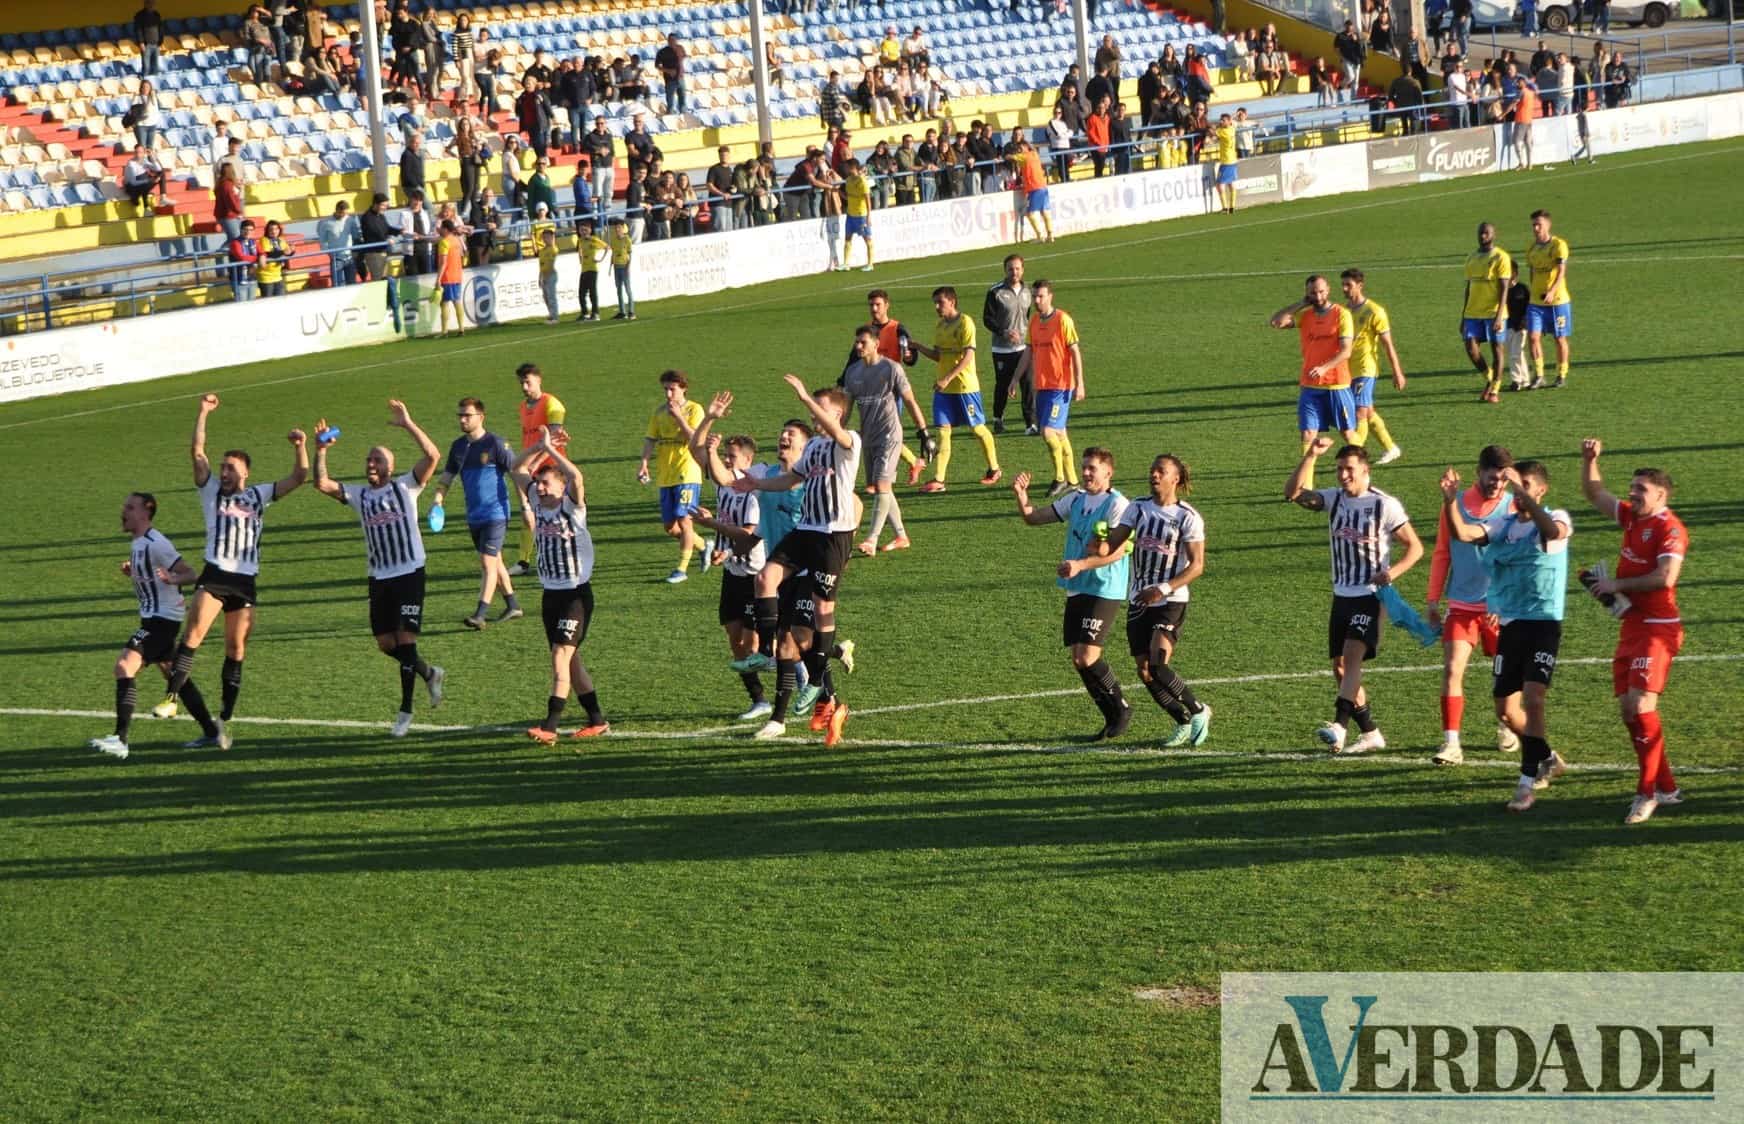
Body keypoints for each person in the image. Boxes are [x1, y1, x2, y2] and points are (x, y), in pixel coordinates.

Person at [159, 395, 309, 750]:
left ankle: (222, 723)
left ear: (246, 473)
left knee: (235, 648)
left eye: (231, 468)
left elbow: (300, 476)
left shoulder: (259, 495)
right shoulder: (210, 491)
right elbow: (197, 453)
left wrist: (301, 446)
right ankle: (170, 699)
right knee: (193, 635)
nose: (224, 473)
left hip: (245, 581)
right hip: (214, 575)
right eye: (223, 467)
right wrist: (203, 413)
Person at [730, 376, 862, 748]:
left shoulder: (849, 442)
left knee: (819, 616)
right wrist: (754, 485)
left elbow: (839, 437)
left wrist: (805, 395)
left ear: (836, 413)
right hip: (807, 530)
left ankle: (821, 687)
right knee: (765, 579)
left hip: (831, 537)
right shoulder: (815, 448)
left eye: (819, 407)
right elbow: (790, 481)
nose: (812, 412)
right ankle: (764, 653)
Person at [309, 399, 446, 738]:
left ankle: (405, 711)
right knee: (386, 644)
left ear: (390, 465)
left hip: (410, 572)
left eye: (378, 460)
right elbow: (322, 483)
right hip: (379, 577)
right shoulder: (359, 496)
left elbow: (433, 457)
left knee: (405, 639)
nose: (371, 463)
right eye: (369, 459)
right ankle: (429, 673)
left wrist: (409, 423)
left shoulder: (406, 486)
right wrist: (321, 450)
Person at [1441, 460, 1571, 812]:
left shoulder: (1556, 517)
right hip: (1512, 625)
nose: (1515, 487)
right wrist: (1450, 500)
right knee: (1506, 711)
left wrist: (1526, 498)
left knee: (1533, 698)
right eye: (1515, 483)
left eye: (1524, 483)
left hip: (1543, 623)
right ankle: (1548, 758)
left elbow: (1554, 534)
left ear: (1541, 490)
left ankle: (1526, 783)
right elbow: (1464, 534)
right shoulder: (1506, 524)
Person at [1285, 437, 1424, 754]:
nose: (1343, 475)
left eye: (1349, 470)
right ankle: (1371, 732)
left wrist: (1393, 573)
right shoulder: (1334, 500)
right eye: (1339, 470)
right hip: (1342, 594)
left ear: (1365, 471)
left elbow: (1415, 547)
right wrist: (1310, 455)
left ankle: (1339, 726)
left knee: (1351, 656)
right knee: (1340, 668)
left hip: (1372, 595)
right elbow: (1292, 493)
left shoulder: (1384, 505)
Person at [1578, 439, 1688, 826]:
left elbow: (1665, 577)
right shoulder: (1631, 517)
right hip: (1632, 626)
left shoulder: (1669, 528)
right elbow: (1593, 492)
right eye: (1632, 487)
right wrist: (1590, 460)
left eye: (1641, 489)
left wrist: (1617, 587)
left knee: (1642, 707)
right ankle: (1668, 786)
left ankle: (1647, 794)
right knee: (1630, 711)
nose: (1632, 493)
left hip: (1658, 629)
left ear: (1661, 494)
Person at [86, 492, 221, 760]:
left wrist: (173, 577)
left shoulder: (155, 542)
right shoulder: (138, 544)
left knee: (124, 666)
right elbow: (152, 578)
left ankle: (120, 740)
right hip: (154, 619)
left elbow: (190, 573)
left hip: (162, 622)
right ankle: (211, 732)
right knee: (176, 678)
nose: (123, 510)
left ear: (145, 513)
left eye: (130, 507)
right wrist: (134, 574)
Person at [1011, 449, 1134, 741]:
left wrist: (1079, 564)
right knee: (1079, 659)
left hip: (1105, 586)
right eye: (1084, 468)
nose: (1086, 473)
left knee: (1089, 655)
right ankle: (1110, 716)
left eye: (1092, 468)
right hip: (1078, 586)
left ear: (1108, 473)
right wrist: (1021, 496)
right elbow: (1034, 518)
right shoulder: (1076, 498)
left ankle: (1121, 708)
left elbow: (1115, 553)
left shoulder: (1119, 505)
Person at [1097, 454, 1212, 747]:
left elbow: (1197, 566)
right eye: (1152, 471)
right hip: (1139, 600)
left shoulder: (1187, 516)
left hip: (1170, 600)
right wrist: (1100, 542)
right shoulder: (1138, 507)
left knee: (1159, 664)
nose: (1154, 475)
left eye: (1161, 471)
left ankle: (1199, 710)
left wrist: (1162, 588)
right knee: (1145, 671)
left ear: (1175, 478)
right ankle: (1182, 721)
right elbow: (1114, 542)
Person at [510, 426, 610, 744]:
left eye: (545, 482)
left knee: (559, 656)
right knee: (571, 659)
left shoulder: (572, 507)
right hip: (550, 595)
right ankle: (597, 719)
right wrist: (540, 446)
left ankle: (550, 727)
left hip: (575, 596)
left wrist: (553, 452)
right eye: (538, 483)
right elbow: (517, 468)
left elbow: (577, 479)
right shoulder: (538, 505)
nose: (538, 487)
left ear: (560, 487)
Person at [1426, 445, 1520, 766]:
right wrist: (1432, 600)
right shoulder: (1455, 505)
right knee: (1453, 669)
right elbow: (1442, 553)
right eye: (1492, 478)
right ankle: (1451, 743)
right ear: (1478, 472)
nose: (1496, 485)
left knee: (1504, 675)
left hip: (1499, 609)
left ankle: (1507, 724)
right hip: (1462, 605)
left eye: (1502, 480)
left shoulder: (1512, 508)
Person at [686, 393, 772, 720]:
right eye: (726, 454)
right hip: (732, 573)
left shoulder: (752, 491)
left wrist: (713, 526)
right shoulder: (725, 486)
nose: (728, 459)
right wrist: (709, 418)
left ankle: (808, 670)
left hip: (755, 574)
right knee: (735, 640)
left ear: (749, 463)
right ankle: (759, 700)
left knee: (753, 645)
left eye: (733, 456)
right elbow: (695, 450)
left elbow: (750, 538)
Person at [431, 398, 523, 630]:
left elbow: (517, 474)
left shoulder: (496, 444)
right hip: (474, 515)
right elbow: (446, 478)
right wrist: (437, 501)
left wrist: (526, 507)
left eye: (467, 415)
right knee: (496, 561)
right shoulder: (458, 447)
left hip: (497, 513)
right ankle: (513, 605)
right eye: (460, 415)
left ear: (481, 417)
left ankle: (480, 614)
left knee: (487, 562)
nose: (462, 419)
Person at [840, 324, 929, 555]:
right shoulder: (853, 372)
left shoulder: (892, 369)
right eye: (856, 342)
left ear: (876, 344)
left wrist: (923, 432)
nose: (858, 346)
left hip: (890, 434)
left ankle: (871, 539)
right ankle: (901, 535)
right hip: (867, 437)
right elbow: (847, 407)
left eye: (863, 342)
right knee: (882, 489)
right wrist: (836, 432)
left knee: (881, 485)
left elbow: (910, 401)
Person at [914, 286, 1000, 494]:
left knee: (977, 428)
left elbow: (969, 356)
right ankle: (939, 479)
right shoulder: (940, 325)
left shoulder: (965, 323)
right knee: (943, 433)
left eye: (940, 302)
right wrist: (917, 346)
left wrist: (947, 377)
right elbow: (938, 356)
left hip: (964, 388)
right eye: (935, 303)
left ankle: (994, 469)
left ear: (952, 302)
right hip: (944, 390)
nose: (936, 307)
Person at [1270, 275, 1360, 456]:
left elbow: (1346, 351)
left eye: (1321, 292)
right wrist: (1301, 304)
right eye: (1313, 293)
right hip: (1310, 385)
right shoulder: (1305, 316)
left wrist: (1324, 368)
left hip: (1337, 384)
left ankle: (1362, 466)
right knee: (1308, 434)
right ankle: (1306, 483)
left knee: (1347, 432)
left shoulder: (1341, 314)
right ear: (1307, 293)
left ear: (1328, 290)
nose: (1318, 297)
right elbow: (1276, 322)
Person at [1014, 280, 1085, 498]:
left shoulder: (1063, 320)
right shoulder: (1034, 321)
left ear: (1050, 296)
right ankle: (1073, 480)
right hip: (1042, 386)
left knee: (1047, 432)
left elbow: (1075, 352)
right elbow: (1029, 351)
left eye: (1041, 296)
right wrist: (1015, 378)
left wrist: (1079, 383)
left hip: (1060, 386)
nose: (1036, 300)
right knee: (1060, 433)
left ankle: (1060, 478)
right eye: (1034, 296)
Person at [638, 370, 706, 584]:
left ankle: (682, 569)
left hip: (687, 472)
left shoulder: (695, 409)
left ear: (683, 388)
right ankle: (704, 546)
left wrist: (678, 417)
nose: (668, 394)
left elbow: (695, 437)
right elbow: (651, 439)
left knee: (685, 520)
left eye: (672, 389)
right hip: (666, 475)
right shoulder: (659, 413)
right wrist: (644, 463)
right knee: (670, 526)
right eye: (665, 389)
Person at [863, 289, 934, 485]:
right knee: (882, 434)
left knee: (886, 433)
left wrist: (909, 356)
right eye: (871, 305)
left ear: (887, 305)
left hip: (892, 389)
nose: (874, 309)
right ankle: (913, 462)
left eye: (878, 304)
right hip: (871, 388)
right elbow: (856, 356)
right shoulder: (867, 330)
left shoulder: (897, 328)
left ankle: (884, 477)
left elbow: (910, 355)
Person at [508, 364, 569, 580]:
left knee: (558, 518)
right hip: (530, 468)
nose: (524, 387)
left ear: (539, 380)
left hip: (553, 470)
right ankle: (523, 561)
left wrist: (535, 463)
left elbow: (553, 439)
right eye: (521, 383)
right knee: (529, 514)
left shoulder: (553, 404)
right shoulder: (523, 407)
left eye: (528, 382)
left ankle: (563, 558)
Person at [1339, 269, 1406, 466]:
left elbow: (1387, 344)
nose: (1344, 289)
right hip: (1347, 369)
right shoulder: (1344, 311)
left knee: (1359, 412)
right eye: (1342, 285)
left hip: (1365, 369)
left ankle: (1357, 455)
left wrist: (1397, 372)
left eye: (1348, 285)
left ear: (1360, 285)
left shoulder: (1374, 311)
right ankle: (1391, 448)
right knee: (1368, 411)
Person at [982, 254, 1035, 438]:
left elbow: (1027, 316)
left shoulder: (1028, 291)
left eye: (1018, 268)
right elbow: (987, 319)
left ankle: (1030, 424)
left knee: (1027, 384)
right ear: (1005, 270)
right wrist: (1004, 332)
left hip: (1024, 348)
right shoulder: (995, 292)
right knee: (1003, 385)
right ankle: (998, 418)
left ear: (1023, 269)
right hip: (1002, 349)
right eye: (1010, 269)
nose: (1014, 272)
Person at [1460, 222, 1512, 402]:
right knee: (1471, 348)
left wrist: (1499, 315)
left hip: (1493, 313)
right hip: (1472, 313)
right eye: (1480, 233)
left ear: (1494, 234)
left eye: (1486, 233)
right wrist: (1463, 315)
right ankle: (1489, 377)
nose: (1483, 236)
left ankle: (1495, 389)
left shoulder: (1501, 257)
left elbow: (1504, 288)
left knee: (1497, 349)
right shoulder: (1471, 258)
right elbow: (1469, 287)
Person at [1523, 209, 1571, 390]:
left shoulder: (1559, 245)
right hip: (1536, 302)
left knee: (1559, 338)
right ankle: (1539, 375)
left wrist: (1552, 291)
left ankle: (1561, 373)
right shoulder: (1531, 249)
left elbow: (1561, 271)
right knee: (1533, 337)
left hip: (1558, 301)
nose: (1535, 228)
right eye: (1533, 225)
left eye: (1539, 225)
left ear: (1548, 225)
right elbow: (1532, 271)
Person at [1014, 140, 1055, 244]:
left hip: (1034, 187)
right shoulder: (1035, 154)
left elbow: (1011, 157)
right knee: (1044, 211)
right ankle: (1050, 235)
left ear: (1025, 147)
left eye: (1020, 148)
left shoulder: (1024, 156)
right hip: (1043, 185)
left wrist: (1006, 156)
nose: (1019, 150)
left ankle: (1040, 236)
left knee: (1030, 213)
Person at [840, 158, 875, 272]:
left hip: (861, 214)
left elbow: (867, 199)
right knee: (847, 238)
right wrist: (837, 191)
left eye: (847, 167)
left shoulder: (862, 181)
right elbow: (848, 196)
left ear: (853, 167)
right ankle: (846, 264)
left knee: (867, 239)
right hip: (850, 214)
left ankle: (870, 264)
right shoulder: (848, 180)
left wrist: (869, 215)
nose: (845, 169)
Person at [434, 218, 466, 336]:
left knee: (445, 303)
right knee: (457, 301)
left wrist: (438, 279)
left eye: (441, 228)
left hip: (447, 276)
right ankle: (461, 328)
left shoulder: (444, 242)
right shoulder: (457, 240)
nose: (440, 230)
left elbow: (443, 263)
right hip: (457, 274)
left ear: (446, 229)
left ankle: (444, 331)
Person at [317, 200, 360, 286]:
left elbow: (356, 236)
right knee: (337, 285)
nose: (344, 216)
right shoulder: (325, 223)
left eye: (346, 213)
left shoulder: (350, 220)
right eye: (342, 213)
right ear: (337, 210)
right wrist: (330, 253)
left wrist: (355, 251)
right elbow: (322, 240)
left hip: (349, 257)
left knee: (352, 283)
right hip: (336, 258)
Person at [575, 217, 606, 321]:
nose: (583, 232)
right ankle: (584, 313)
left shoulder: (594, 240)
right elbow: (579, 251)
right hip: (584, 269)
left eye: (585, 230)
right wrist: (580, 258)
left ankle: (595, 313)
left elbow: (606, 247)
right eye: (581, 230)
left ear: (590, 230)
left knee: (592, 291)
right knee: (581, 292)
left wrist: (600, 259)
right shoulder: (580, 241)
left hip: (592, 269)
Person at [607, 216, 635, 320]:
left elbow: (630, 254)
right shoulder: (614, 240)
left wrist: (628, 267)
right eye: (616, 228)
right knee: (618, 289)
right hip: (616, 267)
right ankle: (622, 311)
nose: (617, 229)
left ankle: (631, 311)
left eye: (619, 227)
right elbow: (613, 253)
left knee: (627, 289)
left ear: (623, 228)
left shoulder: (627, 240)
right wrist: (610, 266)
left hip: (624, 266)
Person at [1212, 113, 1239, 215]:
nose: (1221, 122)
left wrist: (1215, 126)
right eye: (1221, 120)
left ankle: (1225, 208)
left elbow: (1212, 132)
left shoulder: (1223, 132)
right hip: (1232, 159)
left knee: (1220, 185)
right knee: (1231, 183)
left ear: (1228, 121)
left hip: (1226, 161)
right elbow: (1232, 122)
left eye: (1223, 120)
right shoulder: (1232, 128)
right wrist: (1232, 117)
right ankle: (1232, 207)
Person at [536, 227, 560, 325]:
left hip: (551, 274)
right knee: (546, 296)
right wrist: (540, 277)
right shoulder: (542, 251)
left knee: (551, 296)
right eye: (544, 237)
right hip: (544, 275)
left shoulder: (553, 249)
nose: (546, 239)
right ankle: (551, 314)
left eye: (548, 237)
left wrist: (546, 275)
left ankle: (555, 317)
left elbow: (551, 263)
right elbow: (541, 265)